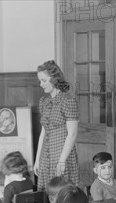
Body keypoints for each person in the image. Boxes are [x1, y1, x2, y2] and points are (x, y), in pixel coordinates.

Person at [35, 60, 80, 189]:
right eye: (40, 81)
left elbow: (72, 134)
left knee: (63, 195)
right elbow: (43, 132)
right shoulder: (44, 101)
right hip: (46, 156)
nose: (40, 84)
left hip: (62, 156)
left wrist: (62, 161)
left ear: (54, 79)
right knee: (48, 195)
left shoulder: (68, 101)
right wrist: (38, 159)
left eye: (43, 81)